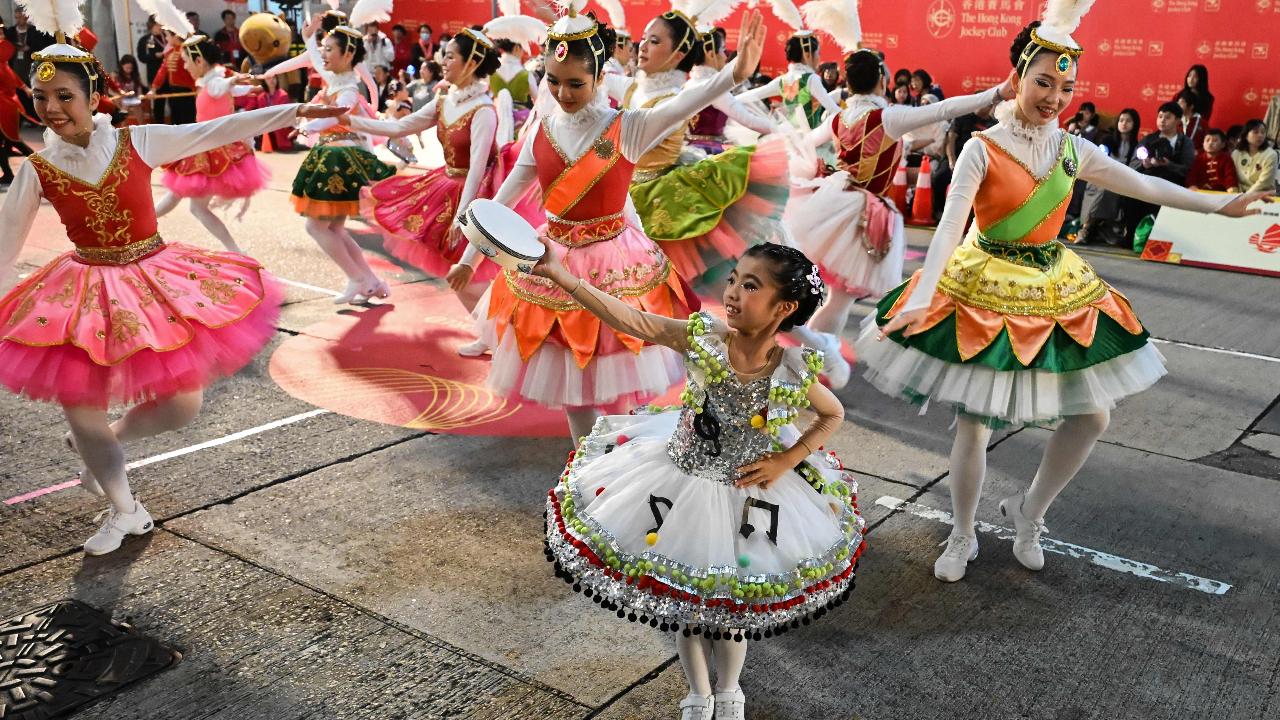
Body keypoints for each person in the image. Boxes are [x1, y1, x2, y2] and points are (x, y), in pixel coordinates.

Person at [855, 14, 1268, 585]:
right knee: (974, 422)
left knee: (1093, 415)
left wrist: (1220, 207)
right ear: (1019, 78)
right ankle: (963, 530)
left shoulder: (1075, 149)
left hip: (1054, 287)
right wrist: (925, 291)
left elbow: (1146, 186)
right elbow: (950, 229)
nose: (1054, 98)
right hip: (984, 287)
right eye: (1044, 82)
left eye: (1067, 88)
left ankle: (1030, 513)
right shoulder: (982, 148)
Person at [0, 9, 343, 556]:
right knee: (81, 402)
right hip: (79, 295)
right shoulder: (37, 171)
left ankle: (101, 444)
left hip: (153, 280)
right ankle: (124, 508)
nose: (51, 110)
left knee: (183, 406)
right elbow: (3, 246)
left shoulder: (138, 141)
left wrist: (295, 108)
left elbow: (219, 128)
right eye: (42, 99)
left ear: (92, 98)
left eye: (64, 96)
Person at [540, 243, 864, 720]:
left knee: (732, 608)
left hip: (748, 497)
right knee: (687, 603)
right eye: (733, 279)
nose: (732, 292)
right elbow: (636, 321)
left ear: (784, 308)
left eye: (750, 286)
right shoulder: (705, 338)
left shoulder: (792, 370)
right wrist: (564, 278)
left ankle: (730, 691)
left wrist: (788, 458)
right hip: (679, 478)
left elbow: (831, 414)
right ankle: (698, 693)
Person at [452, 1, 767, 444]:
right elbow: (501, 203)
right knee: (573, 395)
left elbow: (682, 105)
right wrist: (469, 259)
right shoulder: (541, 129)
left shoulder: (628, 126)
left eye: (576, 83)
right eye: (553, 81)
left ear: (601, 78)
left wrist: (734, 74)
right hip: (552, 265)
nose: (562, 93)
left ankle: (622, 466)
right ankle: (588, 464)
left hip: (614, 267)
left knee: (618, 388)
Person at [787, 45, 1012, 390]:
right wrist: (997, 92)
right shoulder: (886, 117)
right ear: (881, 79)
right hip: (864, 213)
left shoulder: (838, 117)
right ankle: (811, 365)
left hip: (835, 203)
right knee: (841, 298)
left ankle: (811, 363)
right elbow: (944, 109)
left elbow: (805, 141)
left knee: (835, 297)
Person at [350, 27, 538, 355]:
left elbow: (478, 169)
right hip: (445, 187)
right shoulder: (443, 101)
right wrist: (351, 122)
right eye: (445, 54)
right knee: (461, 278)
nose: (443, 61)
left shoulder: (482, 110)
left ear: (470, 63)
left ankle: (507, 337)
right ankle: (493, 335)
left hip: (477, 195)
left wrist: (464, 217)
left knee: (472, 277)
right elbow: (397, 127)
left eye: (451, 56)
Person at [608, 10, 787, 291]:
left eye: (654, 41)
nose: (642, 46)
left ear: (678, 54)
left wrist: (735, 73)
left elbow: (704, 93)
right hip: (626, 194)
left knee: (693, 289)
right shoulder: (631, 87)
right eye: (643, 39)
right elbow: (588, 74)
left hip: (661, 199)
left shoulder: (679, 97)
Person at [290, 10, 396, 304]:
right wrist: (308, 39)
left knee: (316, 226)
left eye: (329, 50)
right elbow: (314, 60)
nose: (323, 55)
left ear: (348, 55)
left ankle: (358, 278)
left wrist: (307, 124)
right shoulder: (335, 81)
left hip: (343, 160)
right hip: (334, 154)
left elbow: (336, 114)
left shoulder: (348, 90)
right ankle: (369, 280)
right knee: (333, 228)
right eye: (323, 49)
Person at [153, 35, 269, 254]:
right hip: (203, 146)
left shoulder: (215, 82)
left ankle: (234, 250)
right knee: (182, 198)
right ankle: (137, 224)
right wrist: (243, 86)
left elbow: (221, 87)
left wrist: (233, 81)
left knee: (192, 204)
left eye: (186, 61)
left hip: (211, 151)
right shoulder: (210, 81)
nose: (184, 66)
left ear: (199, 62)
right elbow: (228, 89)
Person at [733, 5, 840, 130]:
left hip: (788, 140)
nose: (819, 57)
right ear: (807, 54)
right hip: (811, 144)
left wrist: (721, 100)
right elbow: (833, 110)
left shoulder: (782, 81)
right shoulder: (811, 79)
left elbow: (748, 96)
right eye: (817, 53)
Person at [1121, 101, 1195, 240]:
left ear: (1178, 120)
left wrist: (1168, 164)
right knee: (1129, 197)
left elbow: (1187, 169)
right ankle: (1132, 236)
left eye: (1167, 117)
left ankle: (1155, 239)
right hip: (1147, 180)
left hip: (1171, 184)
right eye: (1160, 116)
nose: (1162, 120)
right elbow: (1133, 164)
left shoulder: (1185, 142)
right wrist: (1145, 164)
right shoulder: (1148, 139)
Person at [1076, 107, 1140, 246]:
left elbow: (1134, 167)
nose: (1124, 123)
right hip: (1102, 178)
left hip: (1122, 180)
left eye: (1128, 121)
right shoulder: (1107, 140)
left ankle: (1092, 227)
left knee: (1112, 190)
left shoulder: (1137, 146)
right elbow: (1099, 161)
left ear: (1135, 124)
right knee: (1104, 189)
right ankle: (1088, 227)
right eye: (1121, 120)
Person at [149, 29, 197, 124]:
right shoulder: (170, 52)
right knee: (176, 119)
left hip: (188, 92)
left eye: (167, 36)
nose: (166, 39)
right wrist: (153, 89)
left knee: (188, 120)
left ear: (175, 36)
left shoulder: (188, 51)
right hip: (174, 92)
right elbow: (162, 71)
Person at [1232, 119, 1278, 193]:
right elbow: (1232, 177)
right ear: (1246, 135)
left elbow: (1264, 183)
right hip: (1239, 195)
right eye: (1255, 132)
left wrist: (1245, 196)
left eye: (1263, 132)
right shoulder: (1236, 153)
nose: (1260, 135)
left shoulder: (1271, 154)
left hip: (1263, 196)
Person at [136, 16, 167, 85]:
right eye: (157, 25)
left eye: (161, 24)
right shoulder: (145, 39)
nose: (160, 27)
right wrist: (155, 56)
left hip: (169, 74)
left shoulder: (167, 37)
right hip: (154, 74)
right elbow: (142, 57)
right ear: (151, 25)